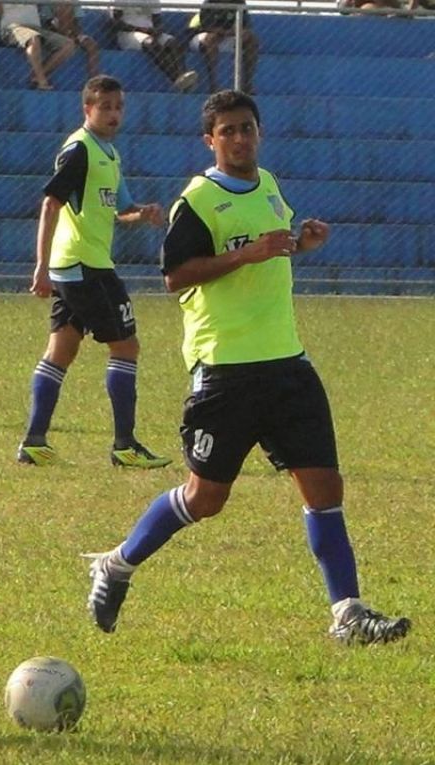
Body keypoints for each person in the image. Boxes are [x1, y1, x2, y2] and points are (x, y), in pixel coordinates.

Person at [86, 90, 411, 646]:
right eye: (228, 131)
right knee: (204, 498)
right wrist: (247, 253)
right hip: (225, 372)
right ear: (210, 140)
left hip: (287, 363)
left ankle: (348, 612)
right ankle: (116, 564)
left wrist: (300, 245)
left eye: (247, 128)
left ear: (259, 133)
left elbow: (269, 252)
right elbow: (177, 276)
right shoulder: (199, 200)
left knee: (324, 486)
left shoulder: (269, 187)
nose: (239, 138)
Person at [18, 75, 171, 470]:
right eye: (105, 106)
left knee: (62, 350)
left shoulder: (110, 154)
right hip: (85, 266)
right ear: (87, 109)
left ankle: (34, 441)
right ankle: (125, 445)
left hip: (77, 265)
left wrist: (143, 213)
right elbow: (50, 204)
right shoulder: (80, 150)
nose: (113, 113)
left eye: (118, 106)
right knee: (126, 346)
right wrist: (40, 266)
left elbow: (120, 210)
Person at [109, 0, 199, 92]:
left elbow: (157, 21)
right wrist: (139, 29)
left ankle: (183, 75)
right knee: (150, 43)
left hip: (149, 32)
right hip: (128, 33)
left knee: (173, 42)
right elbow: (115, 22)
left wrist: (157, 30)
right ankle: (176, 78)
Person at [0, 2, 76, 90]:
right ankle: (42, 81)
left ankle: (38, 75)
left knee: (68, 45)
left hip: (36, 28)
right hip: (13, 27)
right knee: (33, 39)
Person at [188, 0, 258, 94]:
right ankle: (213, 85)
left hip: (229, 35)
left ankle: (247, 84)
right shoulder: (209, 2)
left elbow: (245, 25)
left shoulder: (239, 2)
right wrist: (223, 32)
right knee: (211, 38)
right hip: (204, 37)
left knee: (252, 39)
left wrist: (239, 32)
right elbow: (206, 26)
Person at [42, 3, 100, 78]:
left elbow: (76, 22)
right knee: (63, 8)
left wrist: (75, 34)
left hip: (72, 32)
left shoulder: (74, 2)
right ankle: (45, 74)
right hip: (55, 32)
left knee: (91, 45)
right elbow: (48, 23)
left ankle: (94, 78)